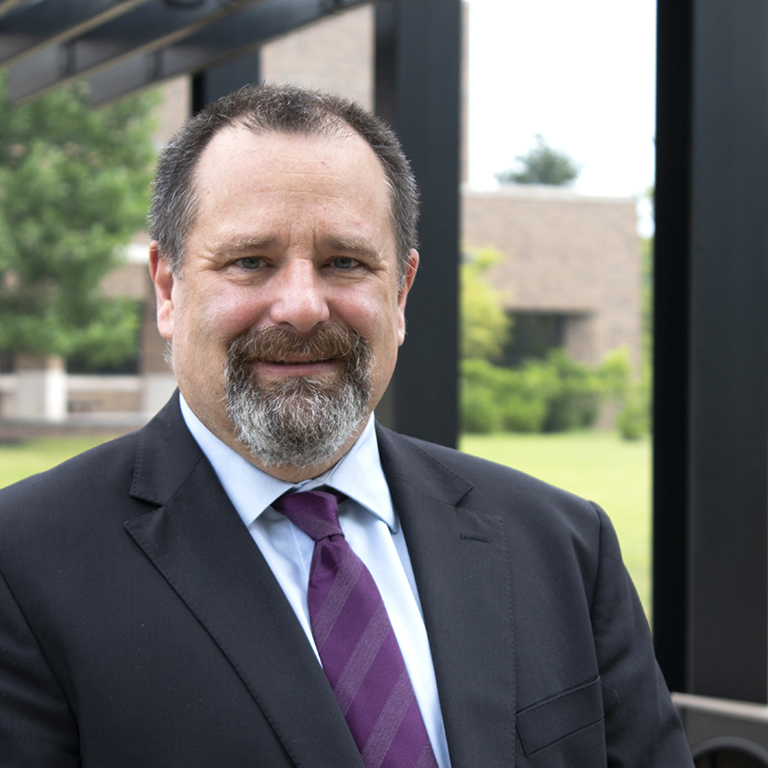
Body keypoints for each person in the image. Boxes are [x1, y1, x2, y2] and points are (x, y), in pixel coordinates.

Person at [0, 83, 693, 767]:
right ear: (168, 288)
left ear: (399, 294)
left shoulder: (561, 545)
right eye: (250, 261)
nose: (302, 306)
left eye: (344, 263)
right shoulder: (23, 566)